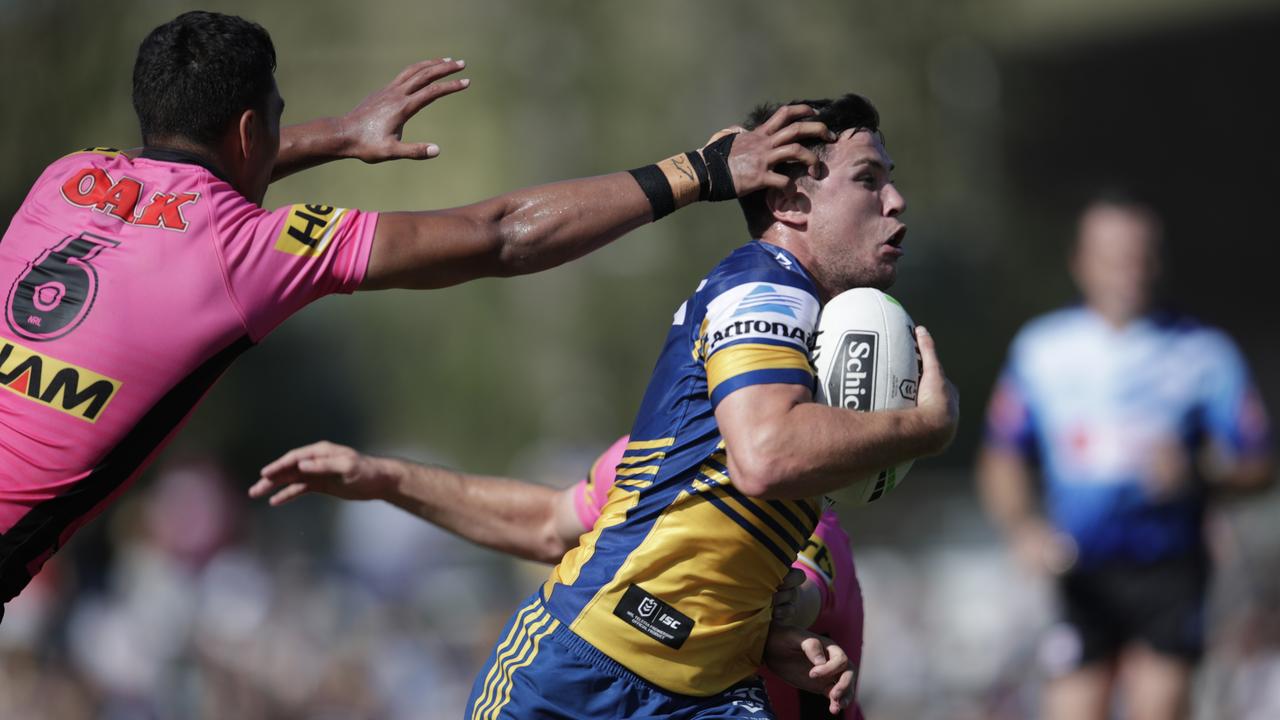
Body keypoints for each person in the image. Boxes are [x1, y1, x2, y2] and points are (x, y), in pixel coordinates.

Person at [0, 10, 831, 617]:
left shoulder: (65, 180)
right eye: (282, 119)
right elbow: (498, 234)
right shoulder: (255, 250)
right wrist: (698, 172)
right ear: (253, 129)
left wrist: (331, 134)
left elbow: (191, 177)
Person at [416, 94, 956, 719]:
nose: (896, 202)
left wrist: (767, 631)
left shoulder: (817, 322)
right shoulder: (764, 282)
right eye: (868, 179)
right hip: (584, 676)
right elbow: (764, 456)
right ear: (787, 202)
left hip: (712, 691)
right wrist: (922, 426)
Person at [251, 434, 869, 719]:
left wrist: (775, 617)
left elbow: (804, 589)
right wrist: (386, 480)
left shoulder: (801, 511)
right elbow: (549, 524)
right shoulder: (652, 457)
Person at [976, 195, 1273, 720]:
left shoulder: (1205, 354)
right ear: (1079, 262)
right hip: (1078, 571)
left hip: (1168, 570)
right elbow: (1002, 458)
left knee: (1157, 708)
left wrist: (1198, 472)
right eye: (1112, 256)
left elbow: (1258, 464)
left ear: (1157, 261)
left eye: (1139, 256)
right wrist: (1023, 527)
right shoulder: (1042, 349)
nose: (1128, 271)